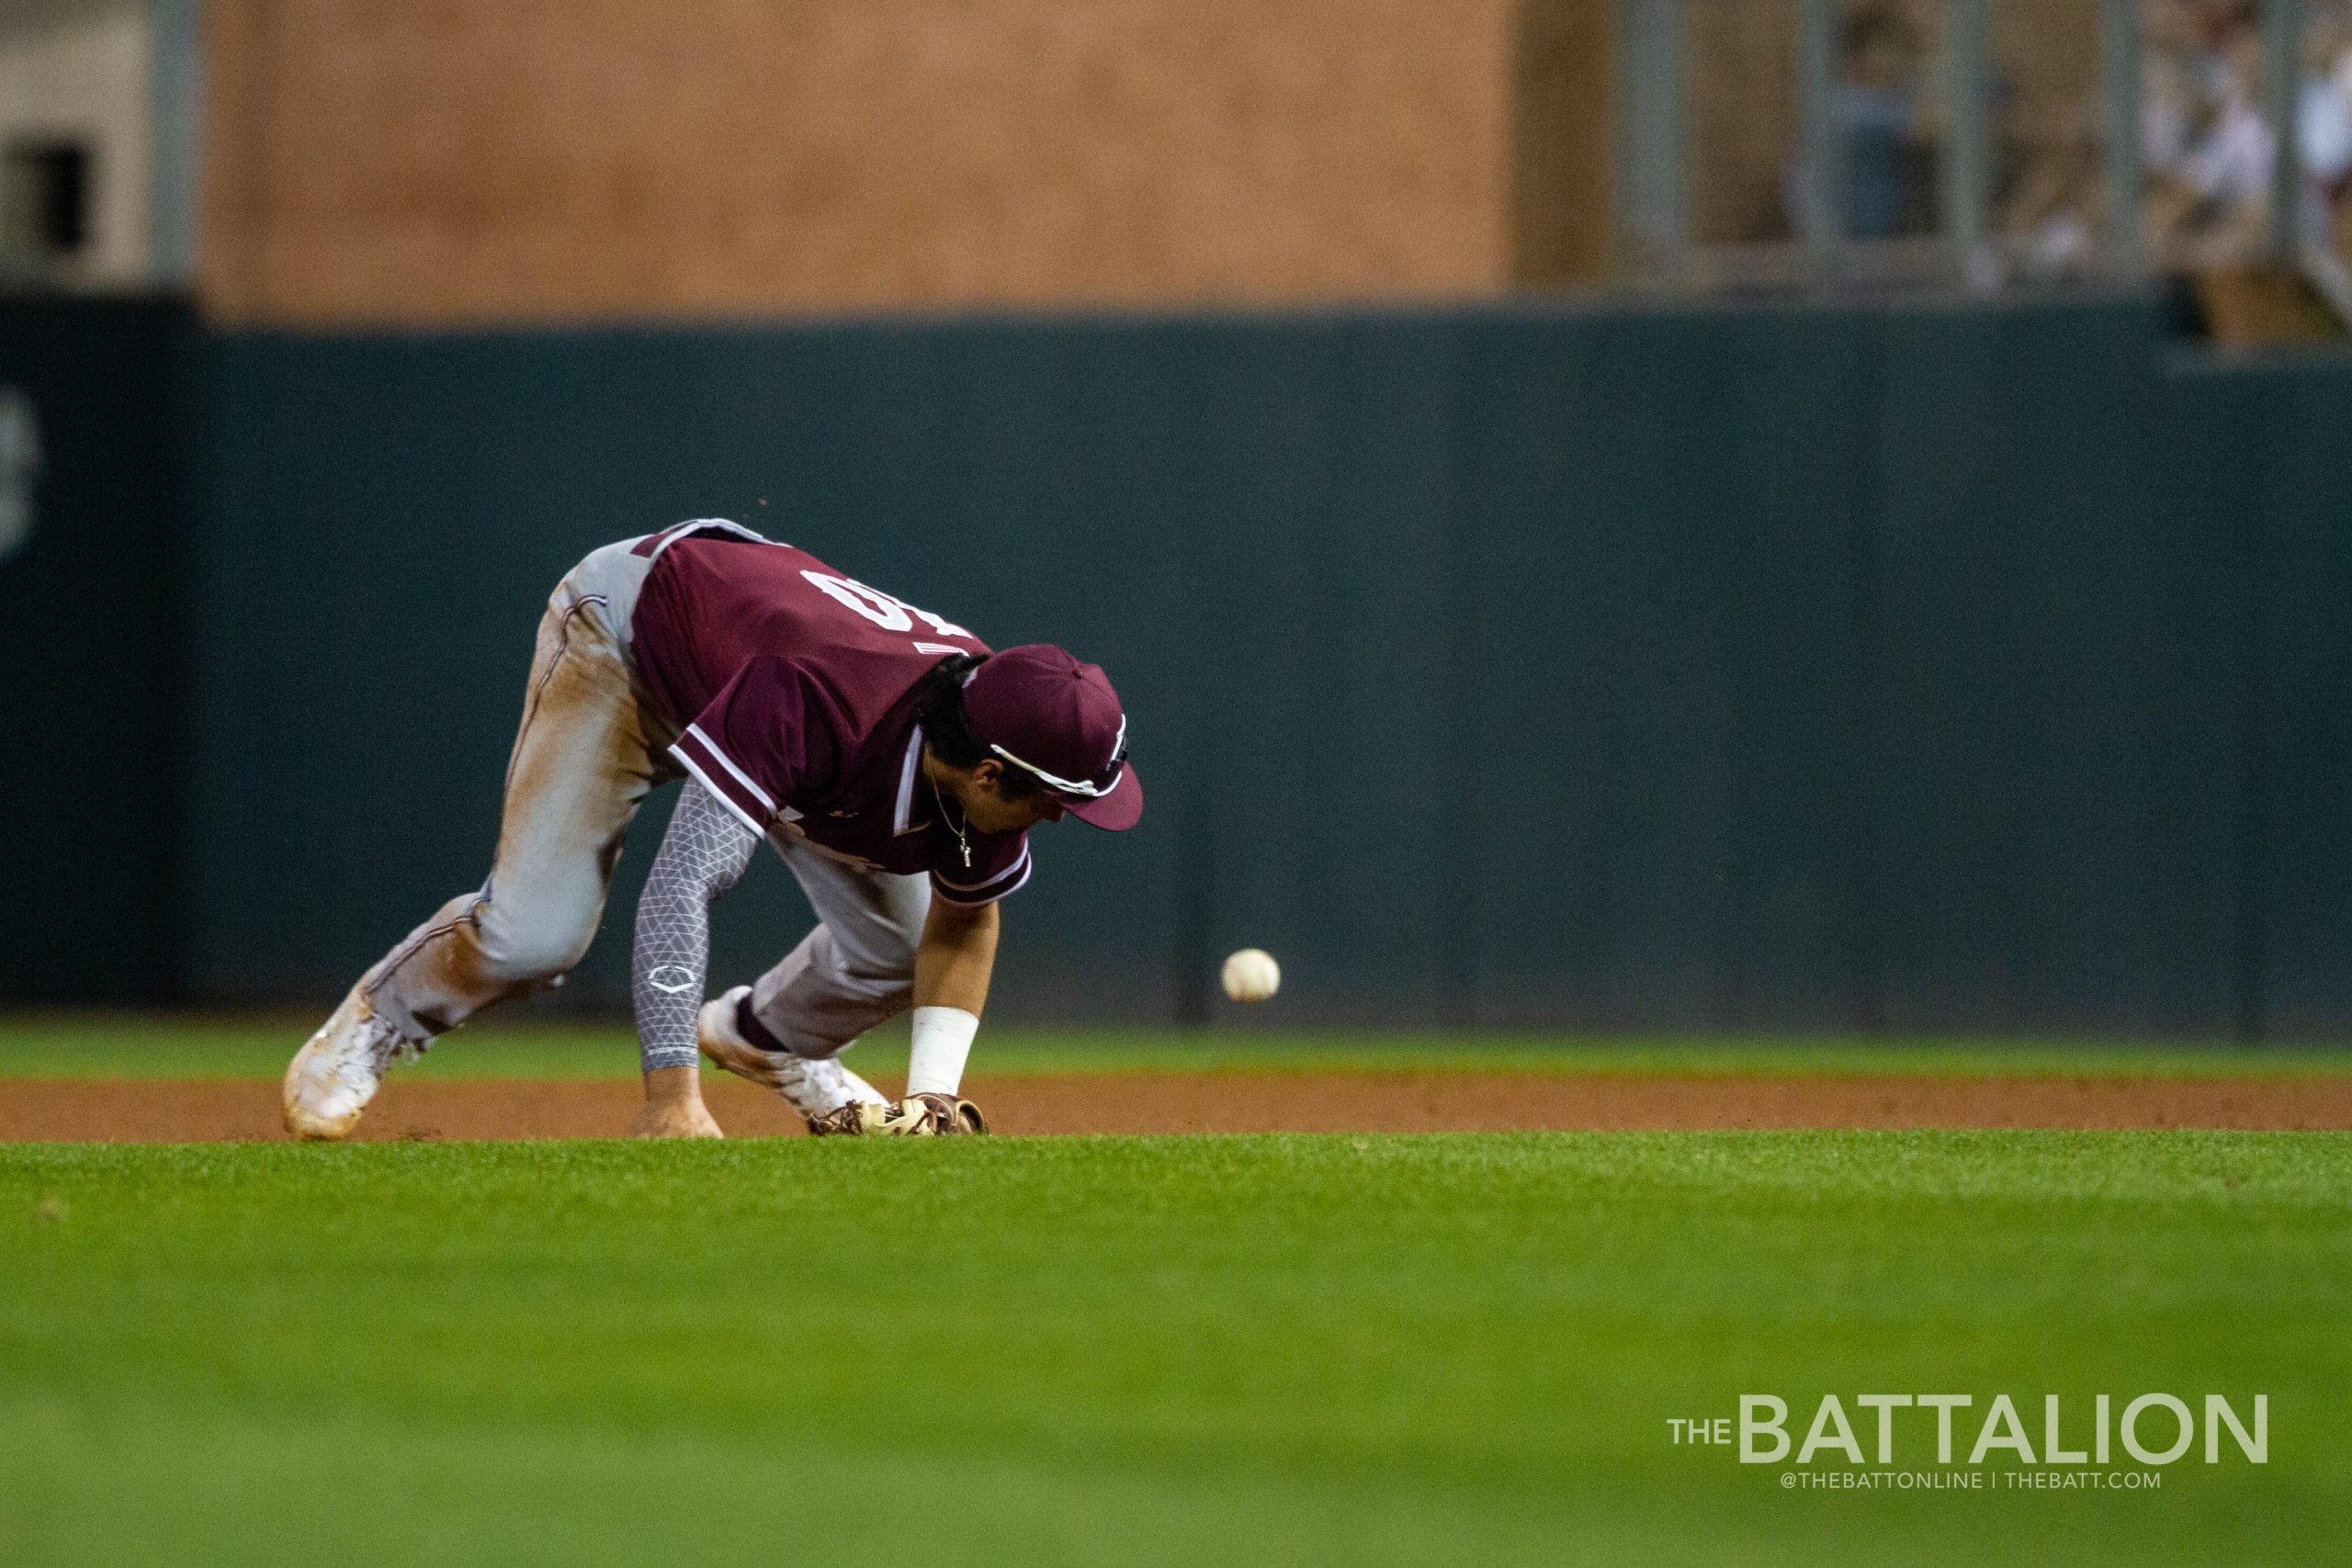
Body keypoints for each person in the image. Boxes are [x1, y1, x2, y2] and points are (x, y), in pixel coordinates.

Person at [280, 520, 1141, 1141]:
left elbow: (966, 918)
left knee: (906, 941)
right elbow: (685, 882)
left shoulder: (994, 723)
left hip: (769, 698)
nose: (1060, 815)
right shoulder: (821, 702)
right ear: (991, 774)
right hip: (629, 643)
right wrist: (670, 1100)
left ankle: (766, 1039)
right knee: (532, 938)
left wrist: (935, 1097)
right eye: (1054, 799)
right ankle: (383, 1015)